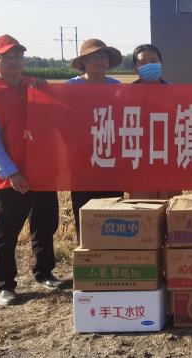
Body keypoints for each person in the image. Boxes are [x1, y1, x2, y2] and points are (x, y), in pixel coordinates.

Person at [0, 34, 63, 306]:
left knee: (45, 225)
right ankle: (5, 285)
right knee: (6, 232)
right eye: (5, 56)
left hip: (43, 172)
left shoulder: (37, 86)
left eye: (18, 56)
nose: (13, 61)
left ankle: (44, 272)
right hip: (12, 179)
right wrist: (11, 172)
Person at [68, 39, 124, 241]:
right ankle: (87, 250)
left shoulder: (118, 87)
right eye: (93, 56)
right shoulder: (70, 88)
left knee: (113, 210)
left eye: (103, 55)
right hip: (81, 160)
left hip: (111, 157)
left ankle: (112, 251)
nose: (99, 60)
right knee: (84, 211)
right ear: (83, 61)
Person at [127, 43, 179, 200]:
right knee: (143, 208)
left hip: (168, 159)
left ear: (161, 63)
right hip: (139, 161)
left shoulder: (175, 92)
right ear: (135, 67)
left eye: (153, 61)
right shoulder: (126, 94)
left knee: (171, 205)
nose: (149, 65)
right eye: (143, 62)